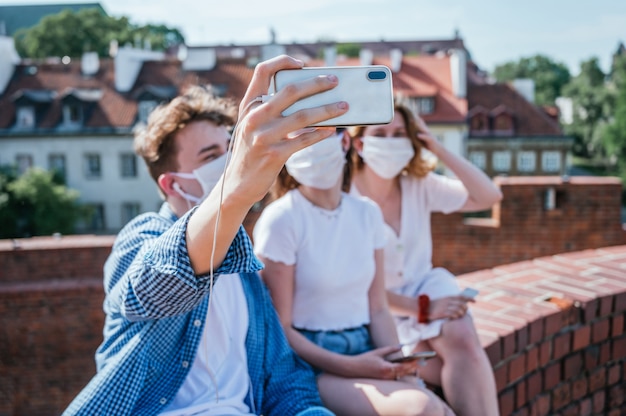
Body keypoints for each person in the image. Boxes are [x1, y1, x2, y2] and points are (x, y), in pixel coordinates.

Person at [63, 55, 351, 416]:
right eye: (212, 156)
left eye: (231, 150)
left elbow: (283, 377)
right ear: (172, 184)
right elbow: (155, 286)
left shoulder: (246, 272)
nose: (230, 163)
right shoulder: (142, 235)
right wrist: (235, 190)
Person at [253, 129, 455, 416]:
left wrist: (399, 365)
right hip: (312, 362)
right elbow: (281, 328)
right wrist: (352, 365)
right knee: (422, 407)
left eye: (316, 134)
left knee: (439, 408)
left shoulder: (367, 213)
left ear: (344, 142)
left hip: (367, 346)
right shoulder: (282, 219)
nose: (308, 145)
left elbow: (379, 309)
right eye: (298, 137)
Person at [348, 99, 502, 416]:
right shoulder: (344, 198)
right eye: (381, 134)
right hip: (377, 312)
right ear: (360, 142)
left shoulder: (419, 184)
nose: (391, 142)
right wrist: (424, 310)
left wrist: (437, 148)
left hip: (426, 289)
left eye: (400, 134)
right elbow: (355, 285)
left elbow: (489, 196)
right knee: (442, 361)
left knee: (461, 335)